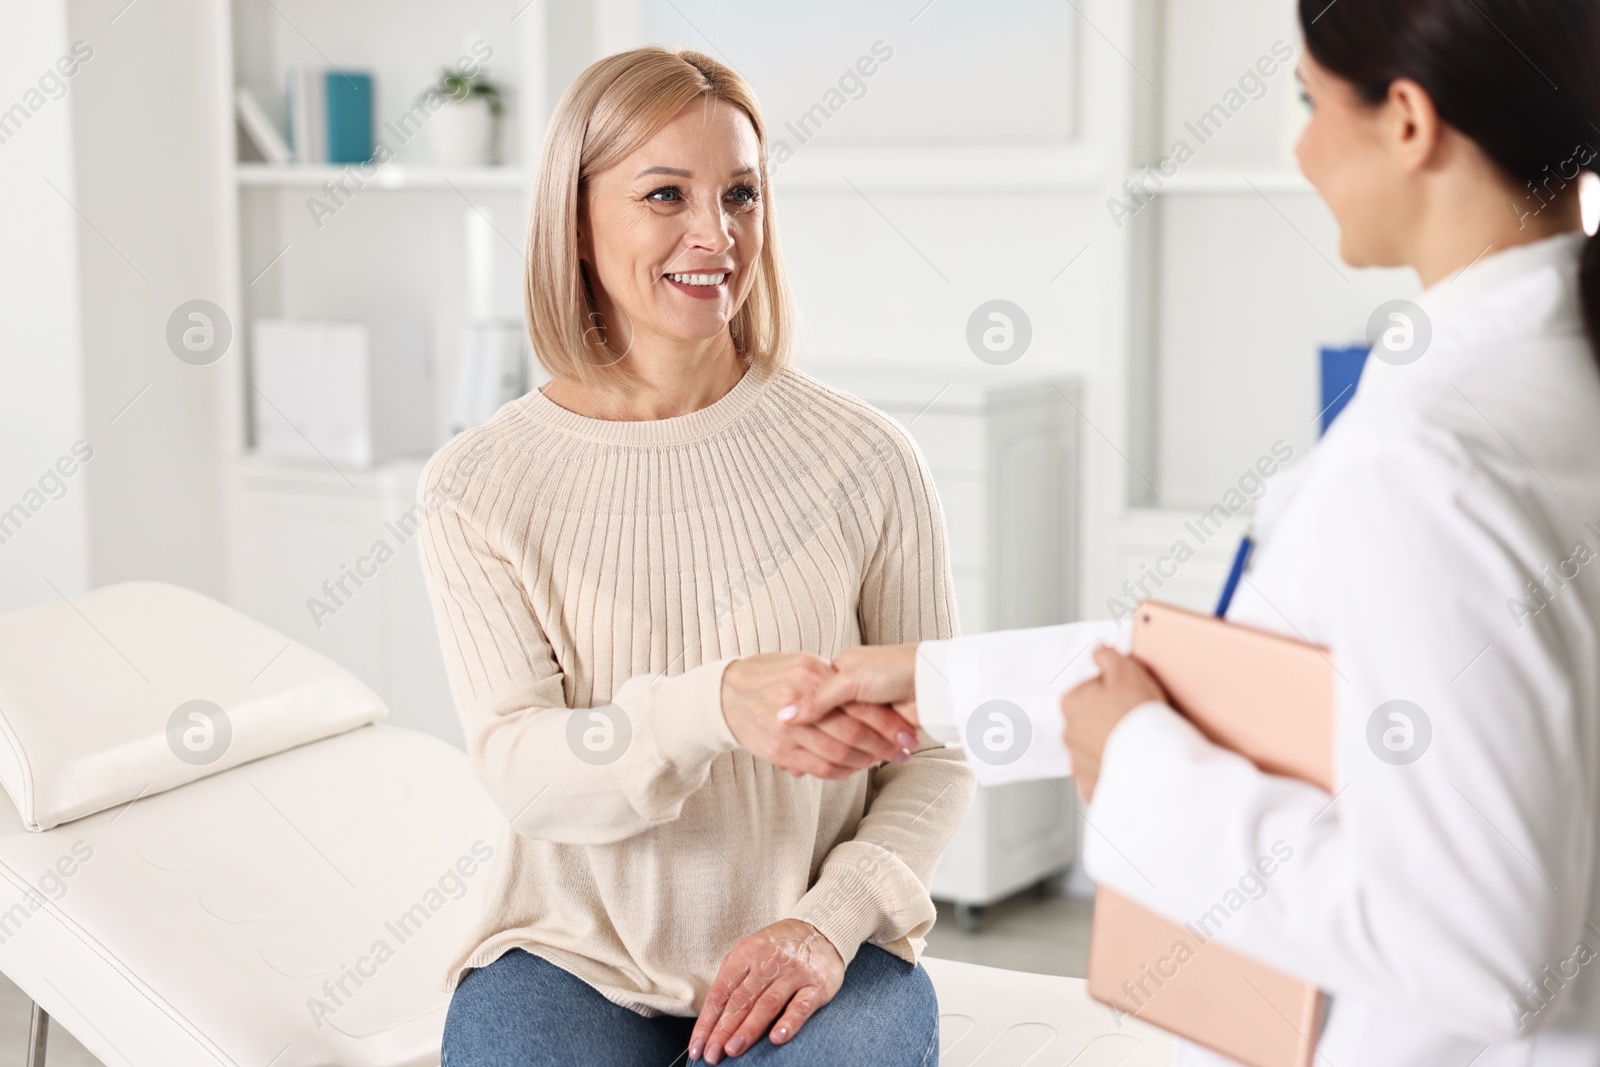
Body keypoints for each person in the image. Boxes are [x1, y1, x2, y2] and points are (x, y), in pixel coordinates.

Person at [803, 0, 1600, 1061]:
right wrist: (936, 681)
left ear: (1407, 121)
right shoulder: (1542, 384)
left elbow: (1483, 949)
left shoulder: (1421, 461)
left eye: (1310, 102)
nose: (1303, 145)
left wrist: (1134, 764)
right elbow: (1295, 685)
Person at [417, 46, 974, 1067]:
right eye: (664, 193)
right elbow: (522, 768)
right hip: (569, 957)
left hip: (818, 949)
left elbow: (937, 749)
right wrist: (709, 705)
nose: (715, 234)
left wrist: (830, 917)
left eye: (741, 194)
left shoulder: (866, 458)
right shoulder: (477, 484)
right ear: (575, 220)